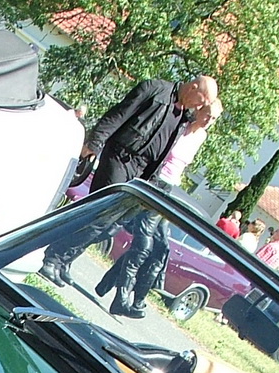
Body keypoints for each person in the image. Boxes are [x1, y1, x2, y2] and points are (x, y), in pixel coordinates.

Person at [39, 75, 222, 292]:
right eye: (201, 99)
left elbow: (164, 153)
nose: (200, 106)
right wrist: (95, 143)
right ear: (192, 87)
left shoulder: (183, 117)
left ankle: (62, 260)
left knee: (107, 223)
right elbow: (119, 113)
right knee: (101, 215)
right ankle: (53, 258)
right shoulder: (156, 89)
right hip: (119, 156)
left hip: (141, 172)